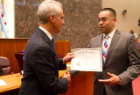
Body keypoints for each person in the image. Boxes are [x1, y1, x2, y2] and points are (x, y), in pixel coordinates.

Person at [70, 8, 140, 95]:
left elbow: (136, 65)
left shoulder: (127, 39)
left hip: (120, 90)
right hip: (99, 90)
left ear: (114, 21)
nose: (100, 23)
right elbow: (84, 61)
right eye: (99, 20)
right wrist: (68, 74)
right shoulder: (94, 41)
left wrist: (120, 78)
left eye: (104, 19)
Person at [19, 0, 74, 95]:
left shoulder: (40, 37)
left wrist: (62, 61)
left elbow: (44, 65)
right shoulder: (41, 46)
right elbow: (51, 84)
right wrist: (65, 80)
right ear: (52, 18)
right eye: (61, 18)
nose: (63, 22)